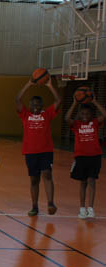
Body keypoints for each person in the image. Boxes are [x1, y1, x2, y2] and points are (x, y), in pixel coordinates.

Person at [15, 78, 61, 216]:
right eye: (34, 104)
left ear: (42, 106)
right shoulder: (25, 115)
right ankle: (34, 206)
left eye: (39, 104)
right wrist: (28, 84)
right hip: (30, 152)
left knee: (47, 174)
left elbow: (58, 101)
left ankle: (51, 203)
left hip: (46, 151)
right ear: (29, 105)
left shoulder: (47, 114)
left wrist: (50, 86)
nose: (36, 106)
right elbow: (18, 99)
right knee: (34, 179)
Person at [64, 99, 105, 219]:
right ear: (79, 115)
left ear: (91, 115)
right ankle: (82, 208)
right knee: (83, 183)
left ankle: (90, 208)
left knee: (92, 181)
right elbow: (67, 118)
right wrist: (74, 103)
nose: (85, 116)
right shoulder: (76, 124)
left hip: (95, 156)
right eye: (82, 114)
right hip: (81, 157)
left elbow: (105, 115)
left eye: (87, 114)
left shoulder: (95, 122)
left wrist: (95, 101)